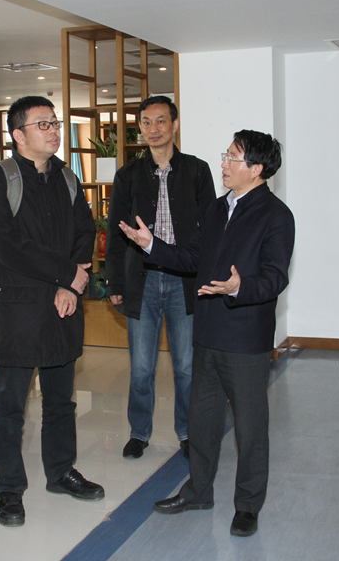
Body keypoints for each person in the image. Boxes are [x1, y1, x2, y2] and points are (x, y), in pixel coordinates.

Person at [120, 129, 295, 538]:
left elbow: (275, 276)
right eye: (225, 156)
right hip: (208, 332)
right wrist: (151, 244)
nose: (224, 164)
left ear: (257, 168)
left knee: (250, 428)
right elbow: (192, 256)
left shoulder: (276, 215)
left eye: (232, 158)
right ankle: (198, 491)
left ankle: (247, 505)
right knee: (202, 420)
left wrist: (239, 287)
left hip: (245, 339)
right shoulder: (218, 208)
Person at [0, 96, 103, 527]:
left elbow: (85, 230)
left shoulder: (67, 176)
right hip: (17, 308)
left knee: (61, 400)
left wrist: (70, 282)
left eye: (55, 123)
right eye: (43, 124)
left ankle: (61, 472)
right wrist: (67, 274)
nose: (53, 131)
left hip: (62, 306)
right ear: (18, 134)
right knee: (11, 405)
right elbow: (7, 245)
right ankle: (10, 488)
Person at [106, 95, 215, 460]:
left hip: (186, 281)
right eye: (146, 122)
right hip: (144, 280)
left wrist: (208, 279)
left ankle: (187, 432)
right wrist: (115, 283)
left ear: (175, 125)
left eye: (161, 121)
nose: (153, 129)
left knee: (186, 367)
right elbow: (116, 232)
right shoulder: (128, 176)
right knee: (141, 368)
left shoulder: (197, 171)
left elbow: (211, 231)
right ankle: (139, 433)